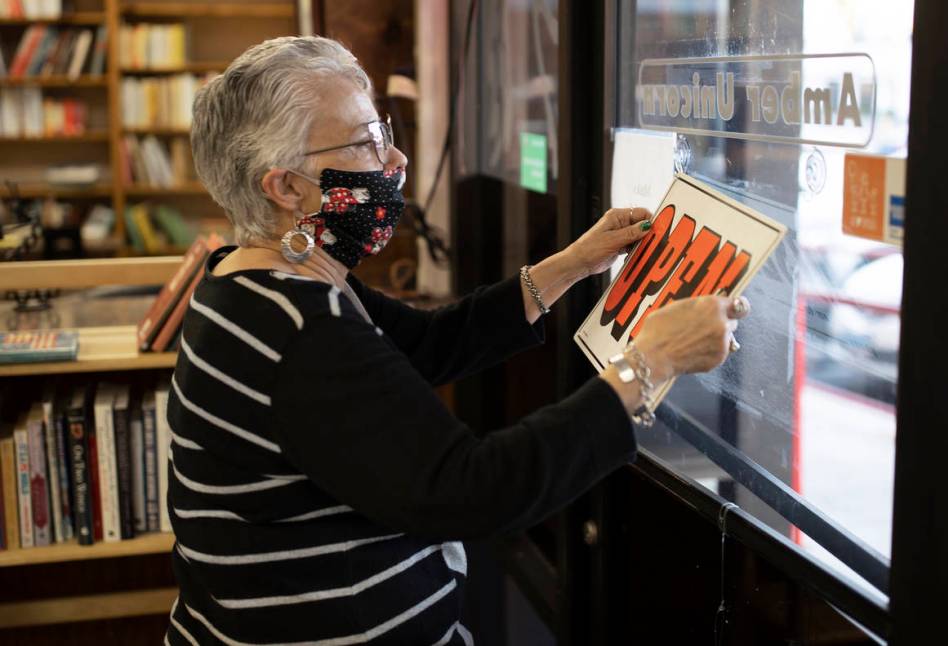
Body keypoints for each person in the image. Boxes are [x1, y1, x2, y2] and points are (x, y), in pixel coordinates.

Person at [166, 35, 749, 646]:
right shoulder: (297, 327)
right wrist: (649, 362)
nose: (395, 162)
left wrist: (573, 263)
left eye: (383, 132)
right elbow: (473, 490)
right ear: (285, 188)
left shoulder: (256, 278)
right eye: (366, 142)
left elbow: (423, 345)